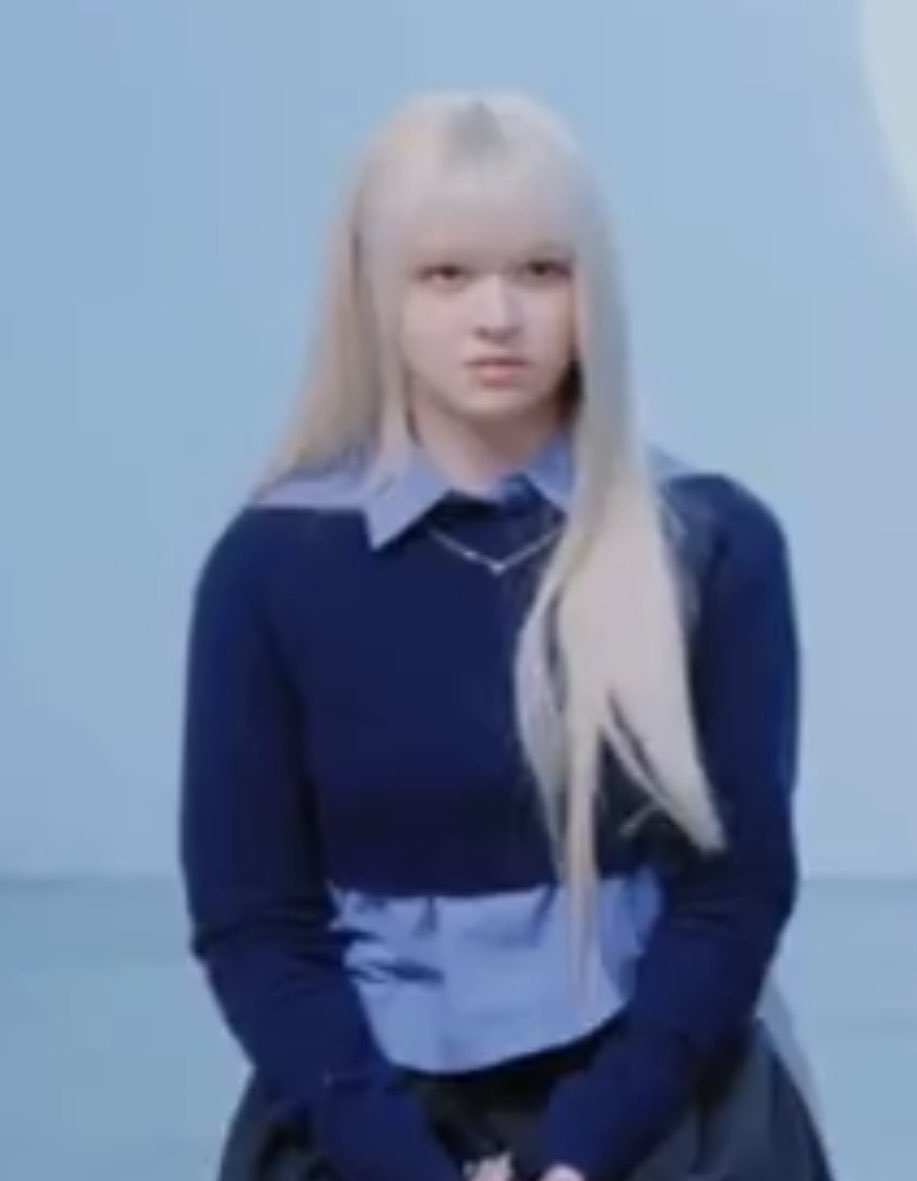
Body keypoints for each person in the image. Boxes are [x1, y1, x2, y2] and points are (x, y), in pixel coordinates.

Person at [179, 90, 833, 1181]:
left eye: (540, 270)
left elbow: (736, 891)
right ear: (374, 292)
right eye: (446, 274)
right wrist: (401, 1160)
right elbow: (256, 922)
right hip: (360, 1116)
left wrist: (581, 1153)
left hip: (667, 1104)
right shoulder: (268, 567)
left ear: (592, 288)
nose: (498, 315)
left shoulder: (716, 543)